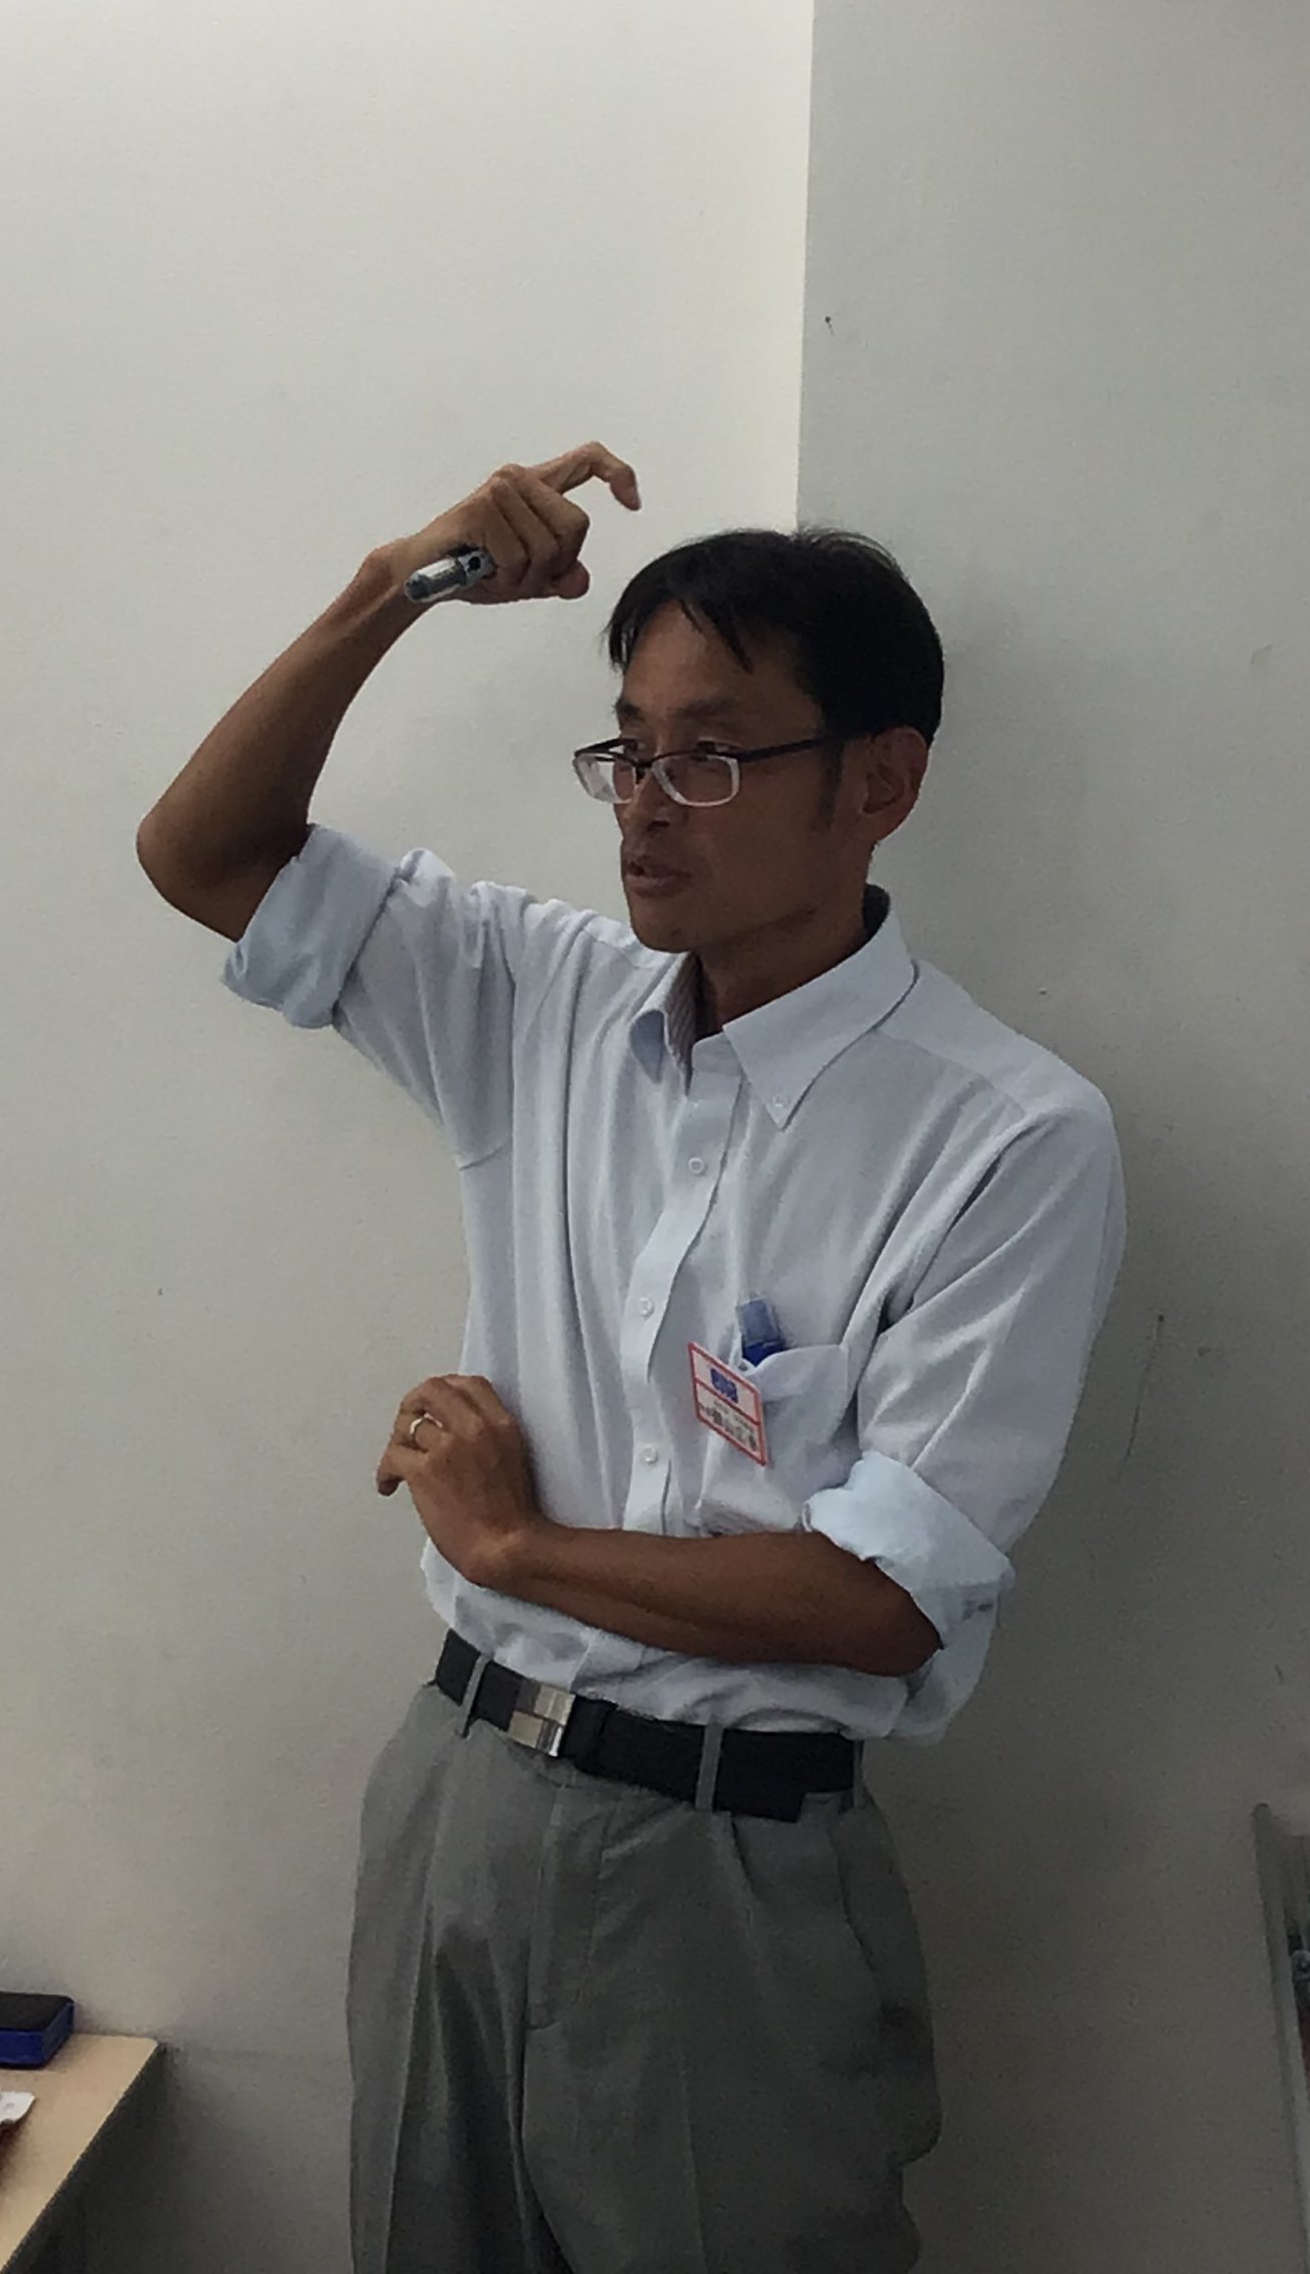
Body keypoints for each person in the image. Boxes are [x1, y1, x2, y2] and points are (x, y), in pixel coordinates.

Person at [136, 441, 1126, 2274]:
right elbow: (203, 856)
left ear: (882, 782)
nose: (648, 808)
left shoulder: (1004, 1137)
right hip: (458, 1794)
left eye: (714, 755)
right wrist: (400, 583)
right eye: (630, 749)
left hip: (719, 1871)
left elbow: (876, 1602)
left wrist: (514, 1545)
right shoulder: (543, 998)